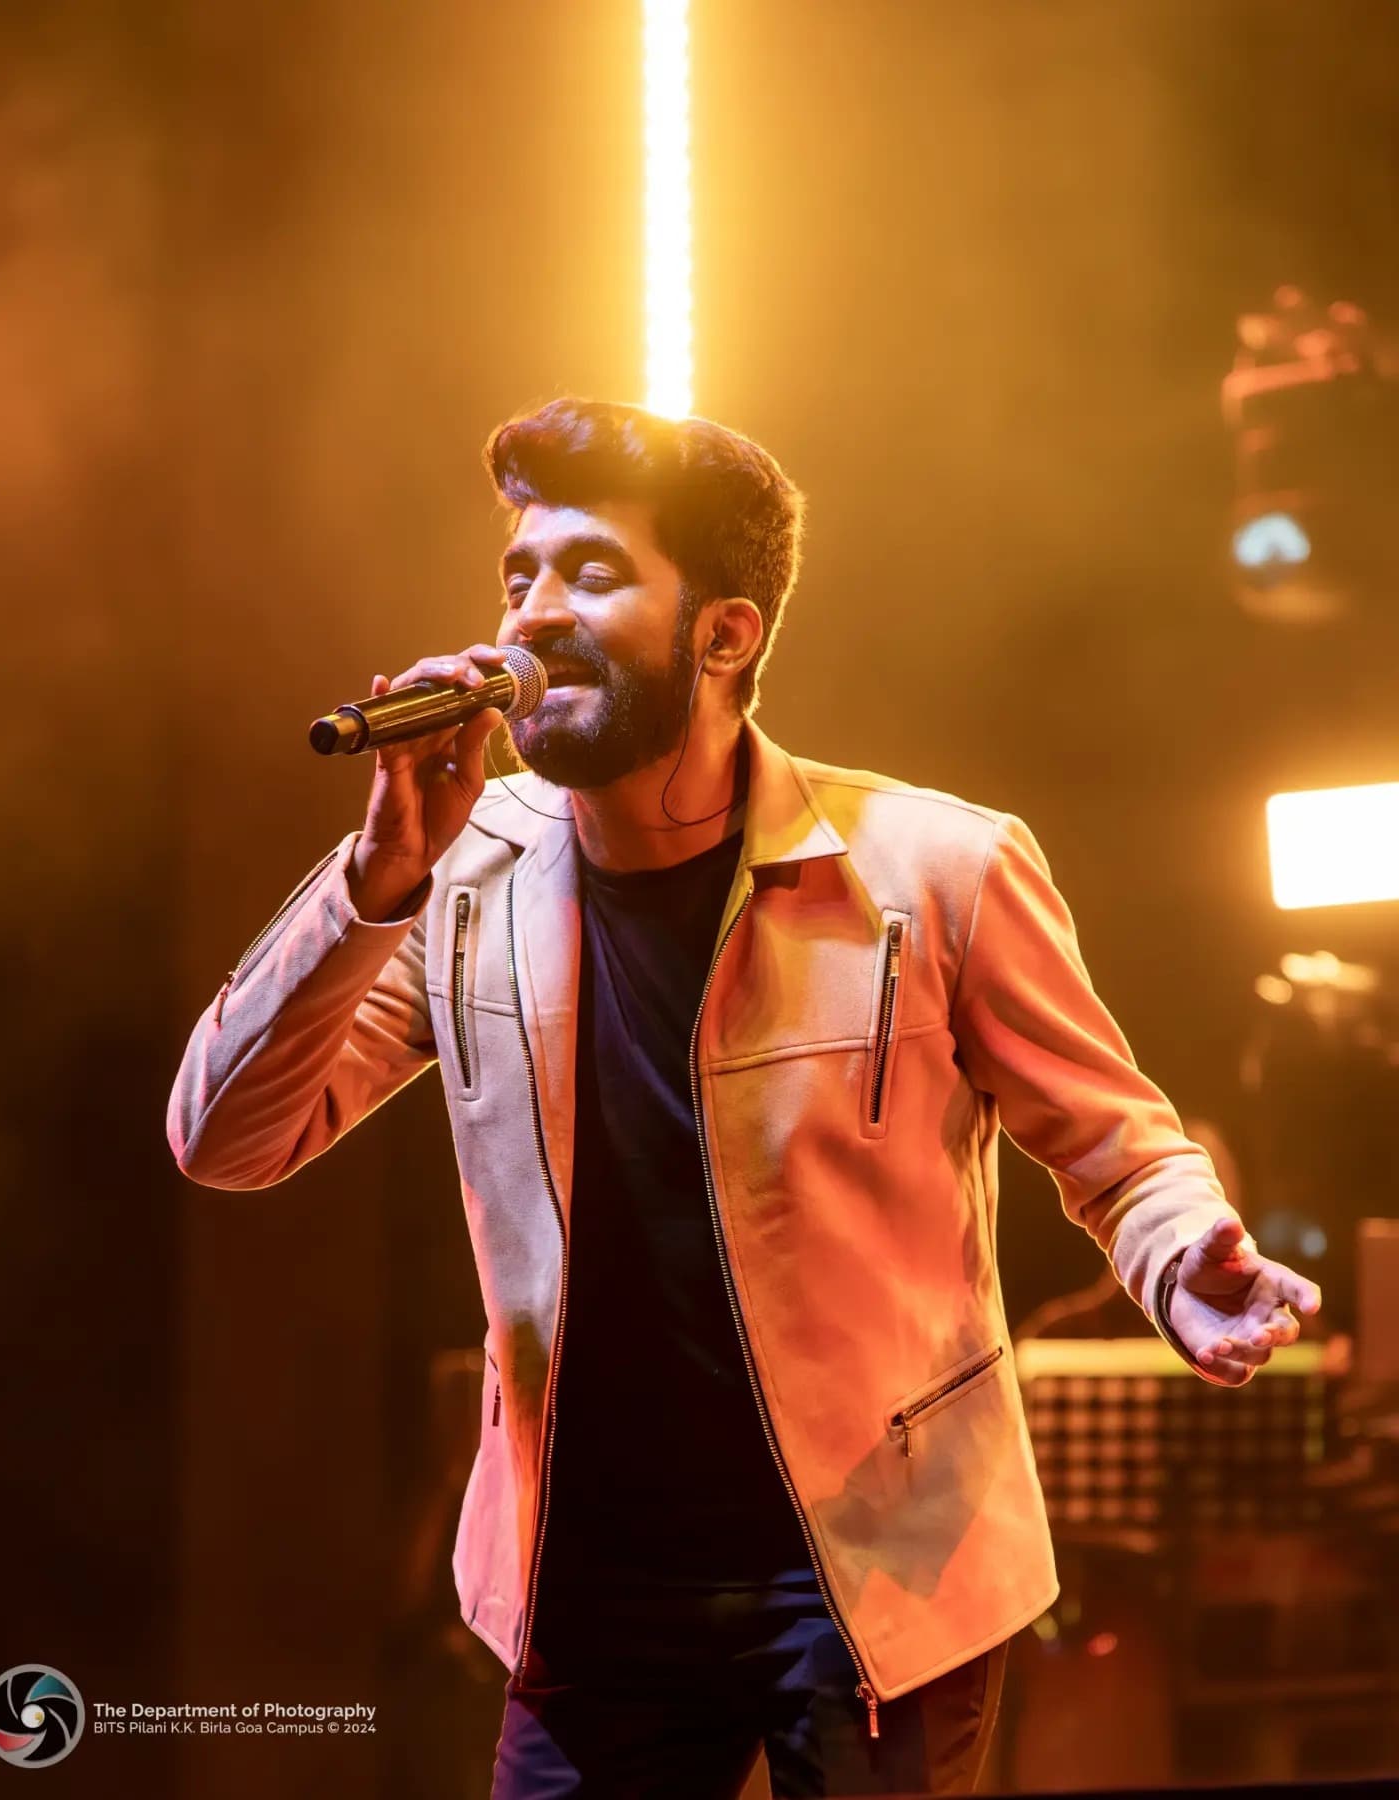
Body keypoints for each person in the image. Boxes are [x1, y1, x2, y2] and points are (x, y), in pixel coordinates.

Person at [169, 398, 1323, 1798]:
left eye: (592, 573)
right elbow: (225, 1140)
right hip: (586, 1585)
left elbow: (1120, 1148)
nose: (531, 615)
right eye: (517, 575)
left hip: (878, 1572)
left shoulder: (936, 868)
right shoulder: (456, 885)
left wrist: (1181, 1258)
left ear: (726, 635)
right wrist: (376, 885)